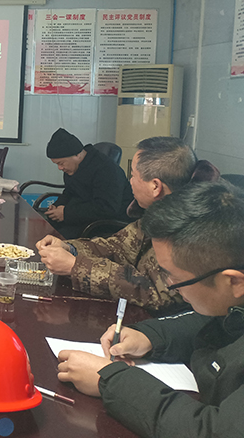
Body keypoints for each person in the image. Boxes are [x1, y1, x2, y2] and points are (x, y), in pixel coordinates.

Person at [55, 180, 244, 438]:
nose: (169, 285)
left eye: (174, 278)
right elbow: (218, 322)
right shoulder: (232, 297)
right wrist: (149, 336)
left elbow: (213, 432)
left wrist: (110, 380)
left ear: (234, 282)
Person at [37, 136, 218, 312]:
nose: (130, 182)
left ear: (155, 186)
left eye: (133, 175)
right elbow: (119, 246)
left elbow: (157, 294)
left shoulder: (195, 232)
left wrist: (75, 267)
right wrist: (70, 248)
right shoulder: (159, 212)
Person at [42, 128, 133, 239]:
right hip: (83, 215)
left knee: (56, 239)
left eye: (61, 163)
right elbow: (69, 192)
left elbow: (107, 208)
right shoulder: (73, 167)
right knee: (44, 227)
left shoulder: (106, 169)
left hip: (107, 223)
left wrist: (66, 213)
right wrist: (56, 206)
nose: (60, 168)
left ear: (77, 155)